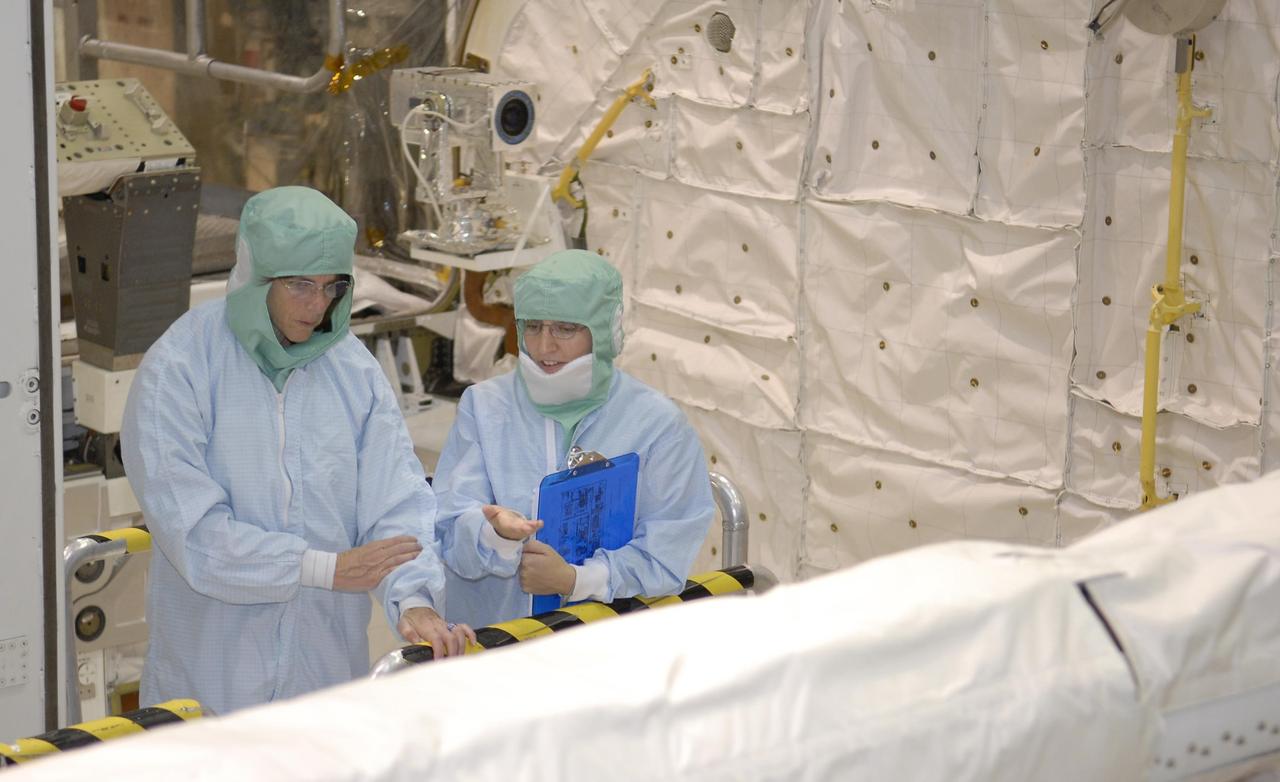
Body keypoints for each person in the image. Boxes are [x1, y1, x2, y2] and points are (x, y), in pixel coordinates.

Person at [121, 186, 473, 715]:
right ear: (254, 275)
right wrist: (322, 569)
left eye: (333, 287)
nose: (318, 305)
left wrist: (415, 600)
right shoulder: (181, 368)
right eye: (300, 285)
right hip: (211, 685)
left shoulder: (352, 370)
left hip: (325, 677)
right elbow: (194, 535)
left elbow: (395, 504)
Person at [432, 249, 715, 628]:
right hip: (495, 638)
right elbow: (448, 527)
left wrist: (577, 580)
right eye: (533, 326)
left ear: (605, 332)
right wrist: (496, 535)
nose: (544, 346)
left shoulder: (656, 424)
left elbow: (667, 549)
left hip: (605, 641)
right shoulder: (485, 407)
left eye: (566, 329)